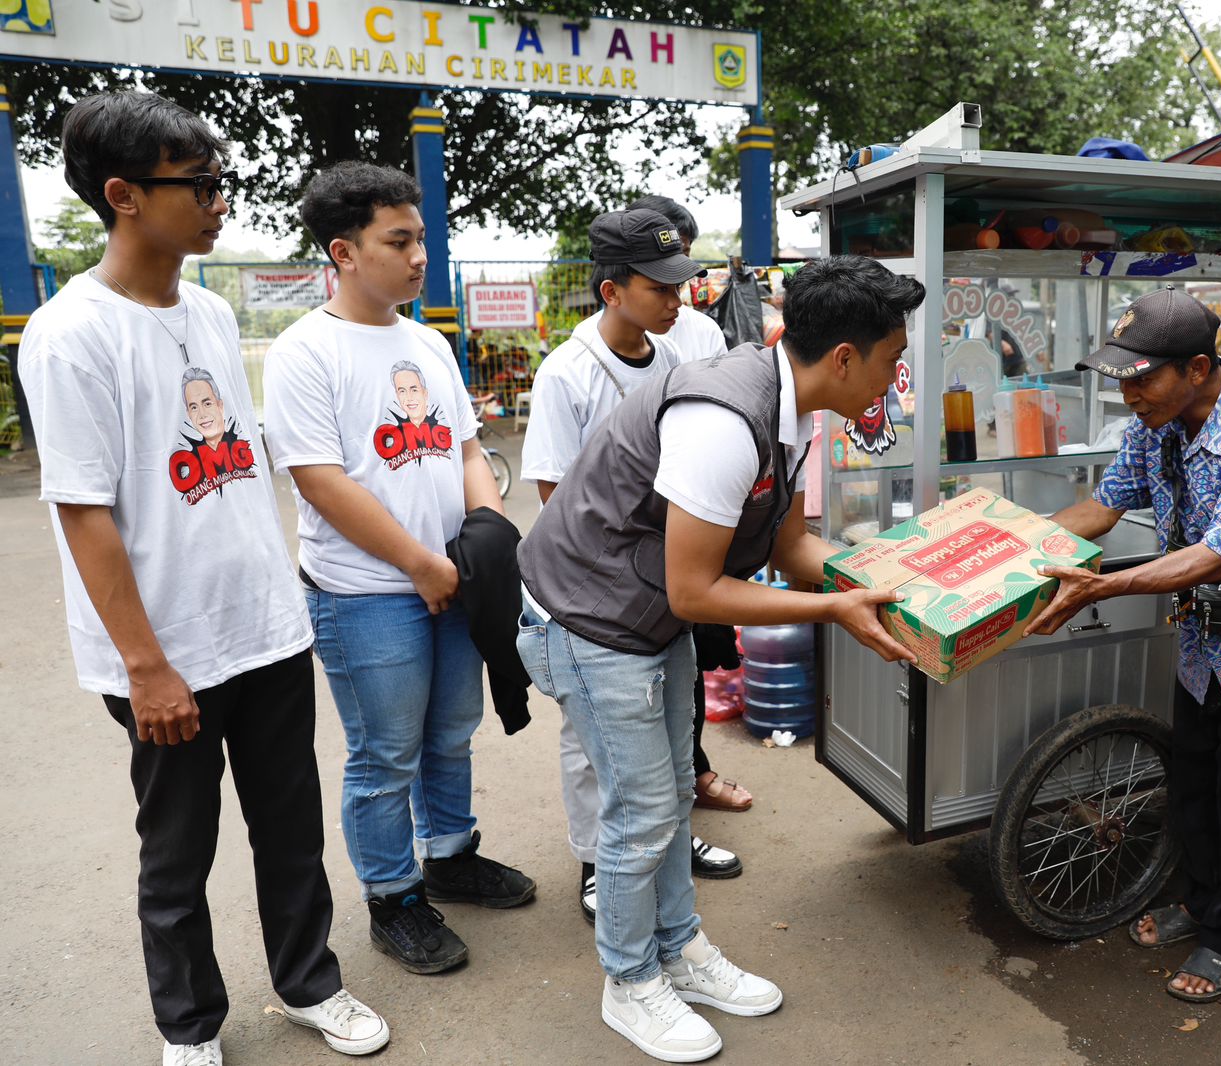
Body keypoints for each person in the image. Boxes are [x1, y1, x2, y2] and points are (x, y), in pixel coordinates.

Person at [18, 91, 386, 1066]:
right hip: (166, 653)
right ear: (124, 195)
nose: (221, 201)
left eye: (223, 183)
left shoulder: (214, 311)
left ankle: (309, 983)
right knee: (178, 851)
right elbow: (85, 513)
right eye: (201, 184)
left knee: (290, 828)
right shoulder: (71, 333)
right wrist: (146, 668)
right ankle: (188, 1027)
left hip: (265, 628)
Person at [516, 254, 923, 1062]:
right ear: (845, 357)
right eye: (892, 358)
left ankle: (679, 949)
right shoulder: (725, 421)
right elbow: (696, 590)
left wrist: (891, 583)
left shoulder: (794, 410)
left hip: (643, 613)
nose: (895, 376)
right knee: (639, 813)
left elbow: (792, 549)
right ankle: (630, 981)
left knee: (670, 793)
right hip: (590, 619)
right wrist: (836, 607)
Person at [1024, 285, 1221, 1004]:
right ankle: (1201, 903)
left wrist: (1100, 587)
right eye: (1124, 381)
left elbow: (1220, 555)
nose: (1129, 395)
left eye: (1141, 379)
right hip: (1205, 632)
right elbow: (1103, 506)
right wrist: (1013, 546)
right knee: (1195, 777)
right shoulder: (1155, 419)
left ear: (1198, 368)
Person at [264, 161, 535, 979]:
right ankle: (394, 898)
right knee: (385, 753)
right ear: (344, 252)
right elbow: (320, 481)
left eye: (421, 238)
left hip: (451, 581)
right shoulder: (304, 351)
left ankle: (449, 855)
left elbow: (464, 450)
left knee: (451, 731)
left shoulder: (427, 343)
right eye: (399, 241)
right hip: (366, 595)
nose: (420, 256)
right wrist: (419, 563)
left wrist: (487, 530)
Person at [520, 204, 743, 930]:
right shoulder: (567, 374)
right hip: (590, 590)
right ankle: (597, 862)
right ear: (612, 291)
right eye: (661, 288)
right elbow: (556, 499)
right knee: (595, 739)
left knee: (673, 725)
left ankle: (670, 843)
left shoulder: (673, 358)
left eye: (680, 285)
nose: (678, 300)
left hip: (660, 578)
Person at [626, 194, 757, 819]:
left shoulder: (697, 335)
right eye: (661, 280)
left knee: (690, 669)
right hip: (627, 554)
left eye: (682, 270)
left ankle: (692, 778)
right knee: (631, 696)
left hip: (690, 531)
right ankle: (644, 819)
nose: (675, 293)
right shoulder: (582, 359)